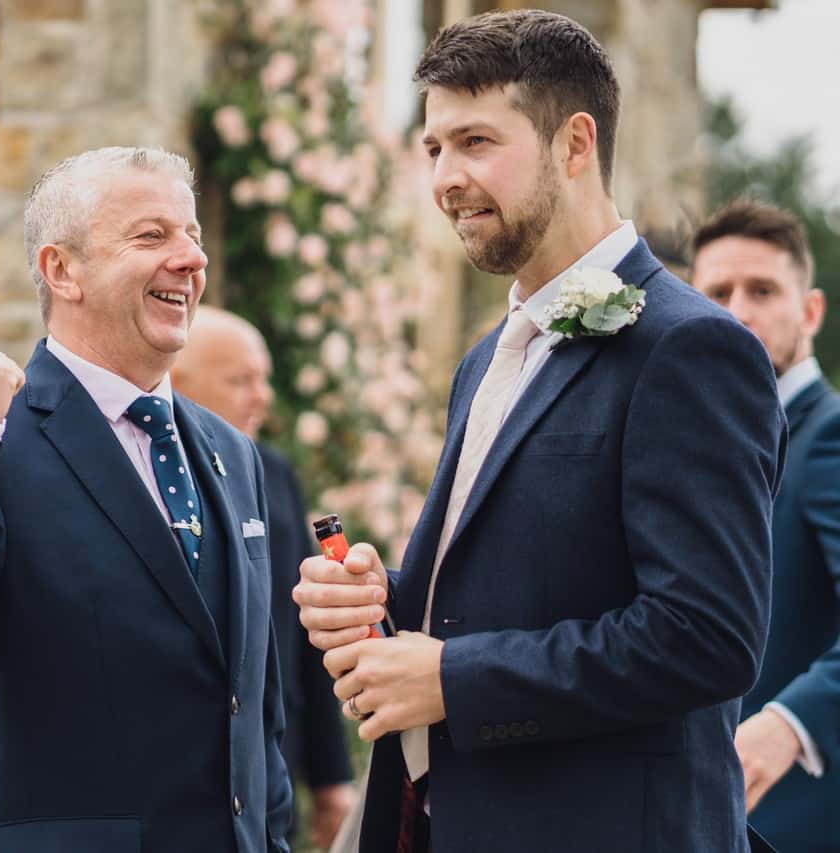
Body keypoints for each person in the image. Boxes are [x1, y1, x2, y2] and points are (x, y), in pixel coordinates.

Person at [293, 10, 786, 853]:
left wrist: (452, 680)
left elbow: (707, 636)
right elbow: (528, 584)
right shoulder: (485, 360)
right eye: (433, 149)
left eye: (476, 141)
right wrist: (388, 595)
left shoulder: (693, 348)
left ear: (575, 142)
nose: (447, 176)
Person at [0, 147, 293, 853]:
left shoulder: (231, 452)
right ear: (63, 270)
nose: (189, 259)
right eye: (152, 236)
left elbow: (254, 707)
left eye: (193, 236)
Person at [172, 306, 357, 850]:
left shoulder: (271, 473)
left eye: (264, 378)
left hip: (269, 779)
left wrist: (330, 779)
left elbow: (306, 631)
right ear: (180, 384)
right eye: (241, 380)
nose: (263, 396)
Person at [693, 199, 840, 853]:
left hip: (795, 820)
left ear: (810, 311)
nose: (738, 311)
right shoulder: (703, 447)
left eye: (762, 290)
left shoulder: (828, 435)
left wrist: (788, 722)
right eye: (717, 292)